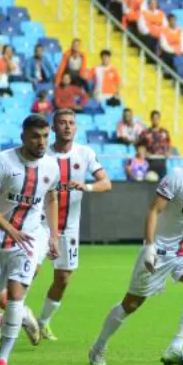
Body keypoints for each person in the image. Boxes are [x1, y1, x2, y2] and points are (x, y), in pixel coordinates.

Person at [89, 127, 183, 365]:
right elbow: (154, 210)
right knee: (132, 304)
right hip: (160, 251)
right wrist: (149, 246)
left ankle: (175, 347)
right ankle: (98, 347)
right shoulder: (177, 176)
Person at [0, 114, 60, 365]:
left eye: (45, 136)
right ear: (23, 136)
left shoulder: (52, 166)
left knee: (15, 296)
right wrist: (9, 228)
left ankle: (2, 360)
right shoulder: (4, 161)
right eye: (35, 136)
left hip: (28, 240)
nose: (41, 142)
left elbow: (52, 198)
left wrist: (54, 236)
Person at [35, 109, 111, 340]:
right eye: (62, 123)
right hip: (40, 224)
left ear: (76, 128)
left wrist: (86, 187)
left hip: (69, 227)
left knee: (63, 278)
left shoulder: (85, 153)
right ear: (54, 128)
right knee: (29, 273)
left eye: (71, 123)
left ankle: (43, 322)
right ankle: (7, 320)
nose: (67, 127)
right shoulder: (42, 154)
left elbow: (106, 183)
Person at [139, 110, 172, 179]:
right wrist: (144, 152)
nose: (155, 120)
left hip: (162, 161)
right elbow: (140, 145)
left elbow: (169, 144)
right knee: (151, 181)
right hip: (150, 161)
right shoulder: (145, 132)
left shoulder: (164, 132)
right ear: (151, 119)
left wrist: (168, 152)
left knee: (163, 185)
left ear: (159, 119)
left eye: (157, 118)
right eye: (153, 118)